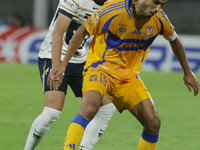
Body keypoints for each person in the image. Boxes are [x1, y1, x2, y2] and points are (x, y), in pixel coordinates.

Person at [49, 0, 200, 149]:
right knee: (89, 109)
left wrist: (188, 72)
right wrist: (63, 65)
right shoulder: (112, 11)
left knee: (153, 122)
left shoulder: (159, 18)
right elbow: (82, 30)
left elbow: (174, 40)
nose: (158, 8)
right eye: (155, 2)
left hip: (128, 77)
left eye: (161, 4)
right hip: (100, 68)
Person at [24, 0, 116, 149]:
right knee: (52, 112)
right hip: (53, 55)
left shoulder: (112, 4)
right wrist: (56, 67)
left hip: (80, 59)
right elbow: (58, 32)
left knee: (106, 107)